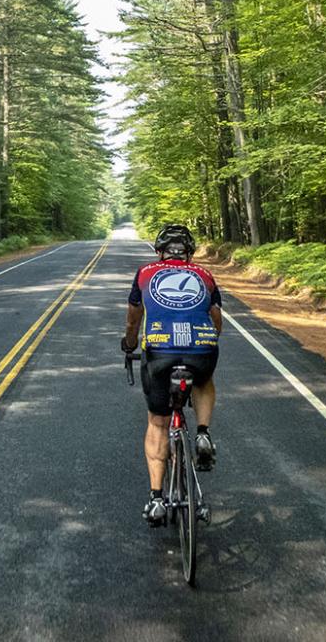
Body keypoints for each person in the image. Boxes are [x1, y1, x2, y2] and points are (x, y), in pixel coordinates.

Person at [120, 223, 221, 526]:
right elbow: (216, 318)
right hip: (202, 348)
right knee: (203, 379)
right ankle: (202, 433)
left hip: (160, 352)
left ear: (159, 251)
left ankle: (156, 500)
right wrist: (206, 340)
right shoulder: (205, 275)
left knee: (158, 423)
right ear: (189, 253)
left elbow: (133, 318)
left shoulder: (145, 273)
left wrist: (129, 343)